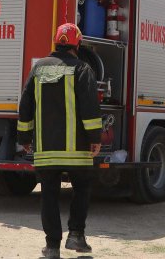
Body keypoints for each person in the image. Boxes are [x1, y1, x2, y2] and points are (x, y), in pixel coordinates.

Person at [17, 23, 102, 259]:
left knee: (49, 194)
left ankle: (52, 246)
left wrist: (24, 137)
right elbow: (89, 108)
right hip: (78, 149)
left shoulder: (38, 69)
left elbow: (25, 105)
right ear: (78, 45)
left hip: (46, 149)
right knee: (82, 188)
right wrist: (95, 138)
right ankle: (76, 235)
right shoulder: (83, 69)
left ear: (56, 42)